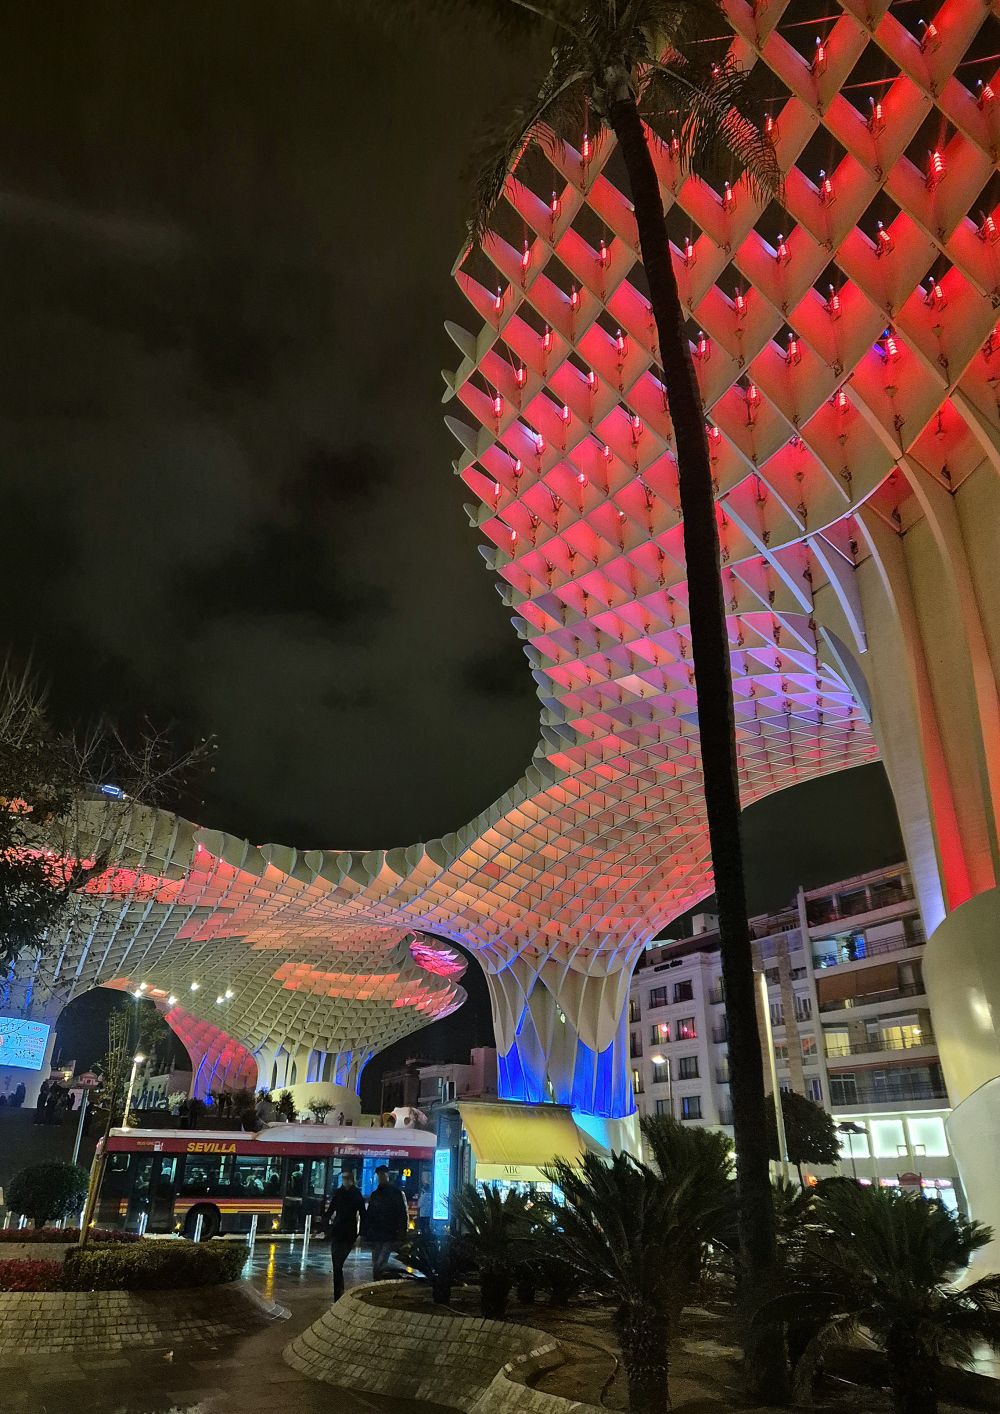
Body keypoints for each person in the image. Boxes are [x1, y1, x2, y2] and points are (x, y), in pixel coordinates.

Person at [321, 1169, 366, 1302]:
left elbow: (363, 1214)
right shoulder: (339, 1193)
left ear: (351, 1180)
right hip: (337, 1231)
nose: (344, 1181)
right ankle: (338, 1292)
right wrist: (325, 1225)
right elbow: (331, 1210)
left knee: (338, 1262)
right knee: (336, 1264)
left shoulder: (356, 1194)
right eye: (343, 1178)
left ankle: (339, 1292)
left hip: (349, 1233)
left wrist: (361, 1233)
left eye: (346, 1178)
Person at [364, 1165, 408, 1279]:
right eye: (379, 1176)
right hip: (381, 1234)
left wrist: (401, 1233)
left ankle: (377, 1281)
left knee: (379, 1262)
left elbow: (401, 1214)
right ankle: (378, 1281)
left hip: (387, 1234)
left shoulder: (387, 1194)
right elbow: (370, 1215)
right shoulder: (380, 1194)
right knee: (378, 1262)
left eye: (381, 1175)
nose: (380, 1178)